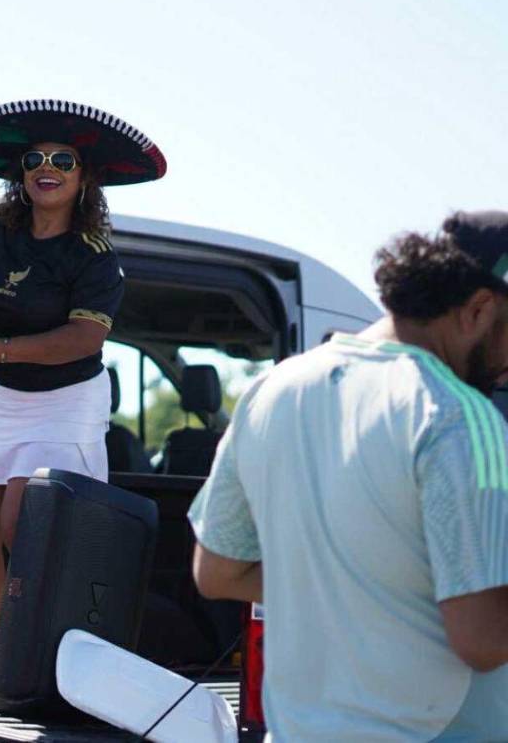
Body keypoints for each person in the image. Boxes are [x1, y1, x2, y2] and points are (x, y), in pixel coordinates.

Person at [189, 211, 508, 740]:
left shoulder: (275, 389)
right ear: (478, 309)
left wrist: (361, 581)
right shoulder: (459, 416)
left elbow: (217, 571)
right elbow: (481, 639)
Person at [0, 99, 167, 687]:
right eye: (33, 158)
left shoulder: (93, 255)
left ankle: (41, 658)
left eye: (62, 159)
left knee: (21, 520)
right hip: (2, 397)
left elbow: (82, 338)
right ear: (20, 174)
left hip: (66, 400)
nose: (45, 167)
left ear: (84, 176)